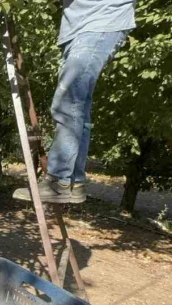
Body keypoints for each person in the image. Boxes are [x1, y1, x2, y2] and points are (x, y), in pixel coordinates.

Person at [14, 0, 136, 204]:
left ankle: (58, 182)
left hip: (99, 23)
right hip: (85, 27)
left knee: (67, 103)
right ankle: (73, 182)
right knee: (78, 108)